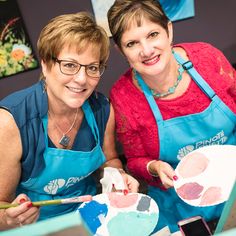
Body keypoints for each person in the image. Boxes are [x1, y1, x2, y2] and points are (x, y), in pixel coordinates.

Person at [0, 12, 139, 230]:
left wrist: (117, 176)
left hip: (92, 214)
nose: (82, 79)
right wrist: (9, 218)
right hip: (38, 226)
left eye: (92, 67)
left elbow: (109, 159)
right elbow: (2, 207)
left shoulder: (102, 109)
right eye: (70, 65)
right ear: (46, 65)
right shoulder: (10, 122)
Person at [107, 0, 236, 233]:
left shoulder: (207, 58)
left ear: (169, 30)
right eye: (132, 43)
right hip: (181, 204)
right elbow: (135, 160)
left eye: (153, 34)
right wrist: (154, 167)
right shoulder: (123, 95)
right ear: (120, 50)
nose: (146, 50)